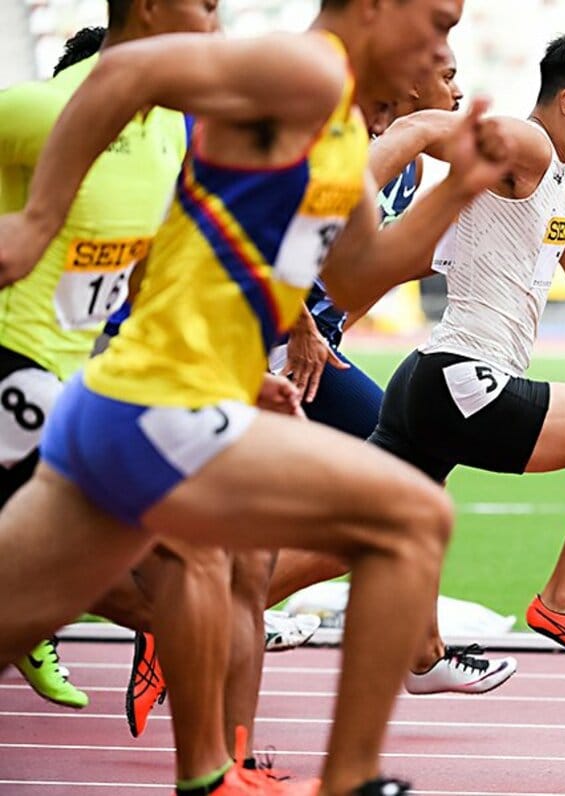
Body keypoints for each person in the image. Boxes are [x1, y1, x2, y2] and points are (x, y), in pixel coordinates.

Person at [0, 1, 511, 794]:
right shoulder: (299, 69)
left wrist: (457, 190)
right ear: (374, 8)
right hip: (155, 403)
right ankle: (346, 781)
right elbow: (128, 69)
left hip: (134, 403)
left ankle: (211, 772)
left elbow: (356, 271)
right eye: (438, 23)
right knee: (412, 517)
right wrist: (39, 220)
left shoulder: (340, 126)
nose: (444, 47)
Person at [363, 28, 565, 673]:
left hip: (429, 380)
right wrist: (351, 182)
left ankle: (181, 616)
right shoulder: (528, 144)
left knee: (360, 532)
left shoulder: (556, 179)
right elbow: (424, 128)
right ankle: (564, 600)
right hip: (466, 380)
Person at [266, 49, 518, 695]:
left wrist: (331, 330)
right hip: (242, 342)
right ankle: (208, 604)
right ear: (404, 80)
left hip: (303, 350)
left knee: (408, 483)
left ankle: (421, 652)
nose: (460, 94)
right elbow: (269, 239)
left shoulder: (402, 169)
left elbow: (367, 270)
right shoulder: (347, 143)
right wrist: (301, 325)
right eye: (449, 76)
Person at [0, 0, 220, 713]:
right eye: (207, 4)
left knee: (166, 579)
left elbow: (150, 275)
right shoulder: (40, 109)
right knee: (167, 568)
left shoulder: (168, 133)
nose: (217, 24)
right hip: (14, 370)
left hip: (75, 379)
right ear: (151, 9)